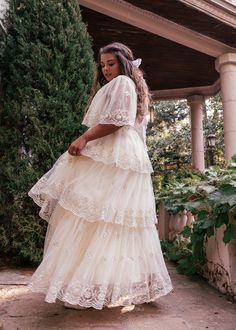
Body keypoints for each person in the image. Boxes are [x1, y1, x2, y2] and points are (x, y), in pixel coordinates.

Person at [28, 42, 173, 310]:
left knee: (99, 216)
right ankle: (132, 285)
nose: (105, 69)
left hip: (116, 153)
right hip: (125, 154)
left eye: (111, 63)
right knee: (114, 219)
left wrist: (84, 138)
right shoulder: (131, 86)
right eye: (103, 64)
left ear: (123, 63)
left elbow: (117, 121)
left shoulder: (122, 84)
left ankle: (85, 289)